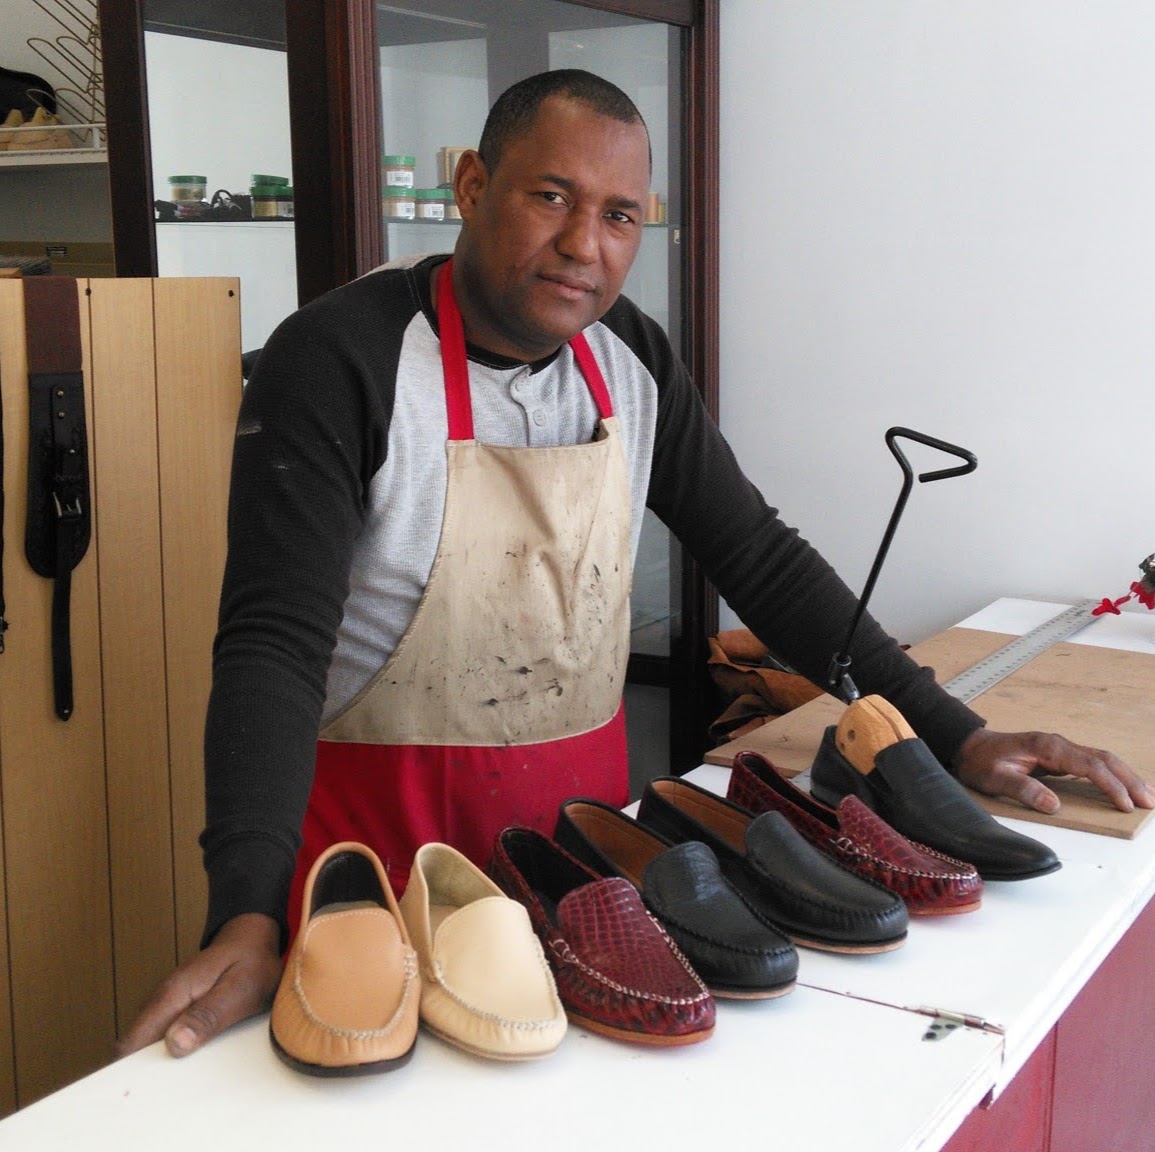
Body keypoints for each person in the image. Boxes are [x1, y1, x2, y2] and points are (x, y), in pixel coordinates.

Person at [120, 69, 1154, 1060]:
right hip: (381, 881)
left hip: (583, 873)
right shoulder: (339, 357)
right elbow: (273, 643)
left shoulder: (632, 359)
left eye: (621, 216)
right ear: (472, 189)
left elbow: (759, 555)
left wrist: (954, 738)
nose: (585, 246)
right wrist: (246, 912)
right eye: (551, 197)